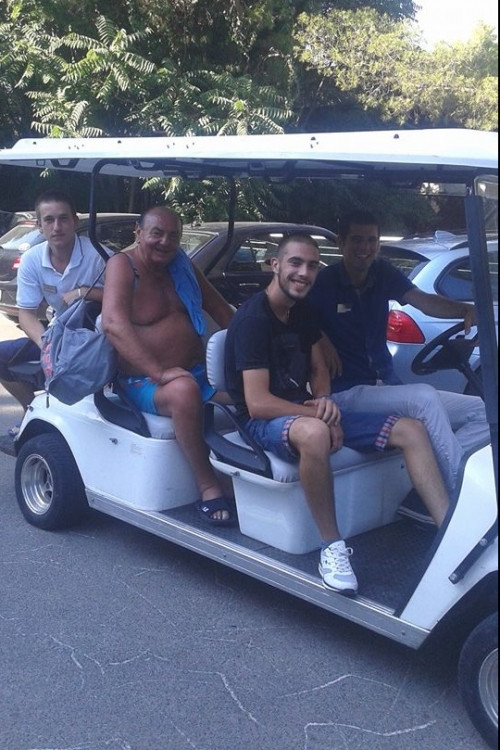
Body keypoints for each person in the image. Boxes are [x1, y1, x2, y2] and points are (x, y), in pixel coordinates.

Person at [224, 234, 451, 595]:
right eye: (295, 263)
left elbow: (319, 369)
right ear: (275, 265)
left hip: (303, 410)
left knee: (411, 429)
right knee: (315, 433)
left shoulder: (301, 312)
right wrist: (321, 417)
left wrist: (325, 403)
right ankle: (331, 547)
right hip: (261, 422)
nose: (304, 272)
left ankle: (449, 534)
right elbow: (258, 403)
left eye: (312, 265)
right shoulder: (254, 319)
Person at [308, 209, 490, 509]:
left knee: (485, 411)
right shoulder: (324, 282)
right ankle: (465, 500)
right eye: (357, 240)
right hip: (348, 392)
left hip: (386, 386)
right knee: (423, 397)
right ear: (341, 243)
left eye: (371, 240)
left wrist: (464, 310)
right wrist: (317, 335)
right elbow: (294, 315)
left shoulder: (381, 272)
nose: (365, 247)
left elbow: (423, 301)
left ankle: (434, 483)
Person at [101, 206, 236, 526]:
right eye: (156, 233)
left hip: (196, 373)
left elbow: (221, 310)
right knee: (184, 391)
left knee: (252, 390)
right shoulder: (122, 265)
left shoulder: (182, 266)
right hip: (143, 381)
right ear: (138, 233)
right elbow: (113, 324)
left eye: (173, 236)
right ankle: (208, 486)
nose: (165, 242)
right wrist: (159, 372)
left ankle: (248, 475)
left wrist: (259, 353)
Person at [0, 189, 108, 435]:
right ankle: (32, 413)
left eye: (63, 218)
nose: (57, 227)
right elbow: (26, 314)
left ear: (75, 221)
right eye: (49, 220)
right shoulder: (31, 259)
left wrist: (84, 292)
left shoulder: (99, 256)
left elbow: (127, 299)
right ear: (39, 226)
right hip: (58, 337)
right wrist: (46, 346)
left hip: (99, 339)